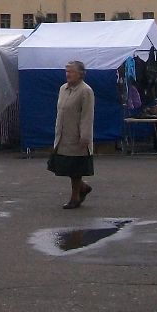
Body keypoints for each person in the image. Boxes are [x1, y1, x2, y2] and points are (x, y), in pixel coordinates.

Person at [49, 60, 95, 209]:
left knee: (75, 169)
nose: (68, 74)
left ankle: (75, 197)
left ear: (81, 74)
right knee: (65, 166)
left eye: (71, 71)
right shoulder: (63, 89)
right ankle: (83, 187)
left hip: (77, 136)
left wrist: (85, 136)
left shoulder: (85, 91)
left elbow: (87, 115)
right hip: (63, 136)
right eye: (66, 71)